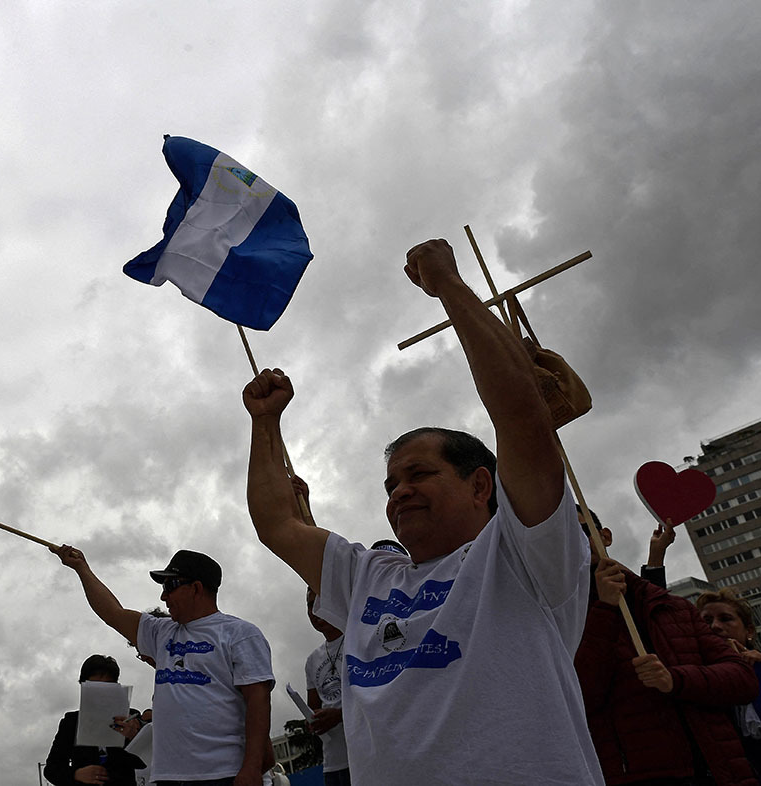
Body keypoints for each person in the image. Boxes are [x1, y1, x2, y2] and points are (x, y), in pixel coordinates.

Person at [242, 238, 602, 782]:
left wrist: (450, 288)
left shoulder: (523, 551)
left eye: (419, 475)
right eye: (391, 484)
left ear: (482, 485)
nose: (399, 493)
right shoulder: (367, 577)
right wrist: (264, 423)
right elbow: (278, 524)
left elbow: (525, 419)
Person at [53, 545, 275, 786]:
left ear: (196, 588)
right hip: (168, 777)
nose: (163, 596)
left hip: (223, 774)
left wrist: (251, 769)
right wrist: (81, 568)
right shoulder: (161, 632)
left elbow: (258, 702)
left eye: (170, 586)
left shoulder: (240, 634)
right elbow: (112, 612)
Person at [577, 517, 759, 784]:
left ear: (606, 536)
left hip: (723, 772)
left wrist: (675, 679)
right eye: (565, 535)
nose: (578, 540)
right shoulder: (564, 620)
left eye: (584, 531)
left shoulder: (675, 608)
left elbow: (743, 681)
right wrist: (605, 610)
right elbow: (580, 696)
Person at [697, 588, 761, 785]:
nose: (715, 626)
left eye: (725, 619)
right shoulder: (698, 686)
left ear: (749, 631)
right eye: (706, 621)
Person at [44, 655, 145, 786]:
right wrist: (75, 774)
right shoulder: (71, 722)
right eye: (95, 686)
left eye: (108, 686)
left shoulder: (132, 718)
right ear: (83, 686)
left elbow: (147, 763)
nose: (101, 692)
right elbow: (51, 769)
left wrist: (135, 737)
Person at [304, 588, 349, 785]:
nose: (315, 610)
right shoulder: (312, 660)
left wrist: (339, 715)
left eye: (320, 602)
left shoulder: (359, 639)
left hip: (364, 757)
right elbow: (313, 708)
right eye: (309, 604)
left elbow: (381, 698)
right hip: (332, 763)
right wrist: (313, 721)